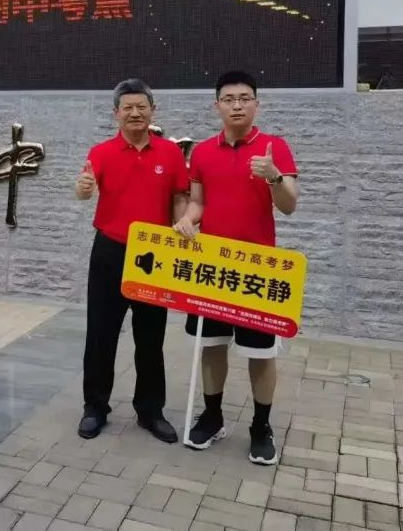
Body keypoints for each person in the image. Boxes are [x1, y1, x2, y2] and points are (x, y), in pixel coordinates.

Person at [172, 70, 299, 465]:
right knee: (211, 348)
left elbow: (289, 205)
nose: (237, 105)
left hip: (258, 270)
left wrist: (274, 176)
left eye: (245, 98)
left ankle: (261, 426)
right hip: (212, 266)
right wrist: (187, 220)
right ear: (217, 106)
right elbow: (198, 202)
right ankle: (213, 417)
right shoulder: (202, 152)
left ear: (257, 103)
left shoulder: (274, 147)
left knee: (261, 353)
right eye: (229, 99)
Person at [75, 78, 189, 442]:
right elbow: (84, 188)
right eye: (128, 107)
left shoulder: (170, 153)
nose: (135, 113)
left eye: (142, 106)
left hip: (155, 253)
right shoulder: (101, 152)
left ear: (153, 110)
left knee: (151, 337)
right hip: (110, 250)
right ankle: (95, 408)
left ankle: (151, 411)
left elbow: (180, 196)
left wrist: (182, 225)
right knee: (100, 334)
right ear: (116, 113)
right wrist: (82, 190)